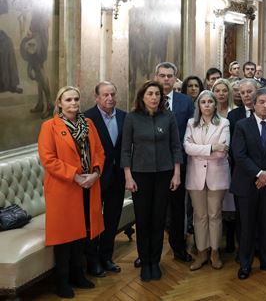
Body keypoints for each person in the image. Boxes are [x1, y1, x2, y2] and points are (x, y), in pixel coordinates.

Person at [39, 86, 105, 298]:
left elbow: (98, 151)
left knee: (82, 233)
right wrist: (74, 176)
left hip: (88, 186)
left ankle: (78, 275)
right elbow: (48, 159)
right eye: (68, 100)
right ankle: (62, 282)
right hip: (63, 189)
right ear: (59, 103)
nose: (73, 103)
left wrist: (95, 173)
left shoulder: (88, 124)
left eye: (76, 99)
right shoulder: (50, 126)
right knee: (64, 237)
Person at [122, 80, 183, 282]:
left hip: (164, 174)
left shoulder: (168, 117)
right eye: (150, 94)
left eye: (157, 94)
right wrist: (128, 176)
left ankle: (154, 262)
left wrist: (176, 173)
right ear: (142, 96)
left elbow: (176, 146)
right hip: (139, 175)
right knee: (143, 219)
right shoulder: (132, 118)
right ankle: (144, 260)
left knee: (158, 219)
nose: (154, 97)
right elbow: (125, 150)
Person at [230, 88, 266, 279]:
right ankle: (245, 264)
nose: (265, 105)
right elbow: (239, 154)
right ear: (253, 104)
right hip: (247, 184)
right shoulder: (241, 125)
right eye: (261, 102)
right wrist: (259, 173)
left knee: (265, 224)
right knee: (247, 226)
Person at [183, 90, 230, 271]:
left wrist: (201, 150)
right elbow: (187, 148)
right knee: (199, 215)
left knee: (214, 215)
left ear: (215, 105)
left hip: (216, 176)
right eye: (203, 102)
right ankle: (202, 251)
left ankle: (215, 251)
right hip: (196, 177)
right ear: (199, 105)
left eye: (210, 102)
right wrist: (211, 147)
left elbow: (222, 152)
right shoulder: (191, 123)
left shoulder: (224, 123)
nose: (207, 105)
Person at [154, 62, 195, 264]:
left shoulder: (185, 101)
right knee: (155, 210)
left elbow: (190, 132)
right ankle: (150, 252)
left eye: (170, 75)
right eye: (162, 75)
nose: (166, 79)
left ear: (175, 78)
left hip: (179, 163)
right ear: (156, 77)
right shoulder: (148, 99)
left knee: (178, 209)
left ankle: (178, 248)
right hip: (153, 165)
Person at [84, 82, 125, 277]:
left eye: (112, 94)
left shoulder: (125, 116)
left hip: (117, 178)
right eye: (105, 95)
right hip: (95, 178)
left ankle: (106, 257)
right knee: (93, 220)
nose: (110, 98)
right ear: (97, 97)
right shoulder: (86, 118)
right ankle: (92, 261)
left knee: (112, 219)